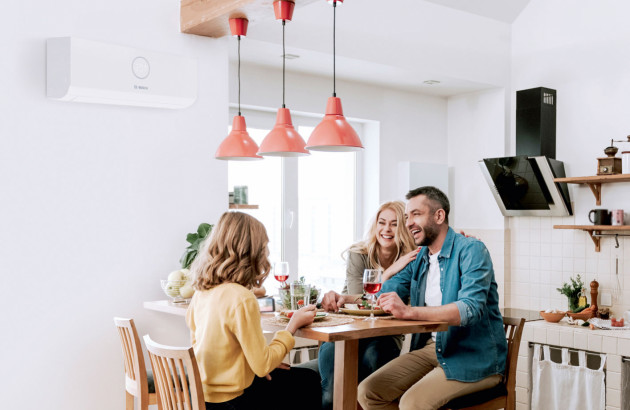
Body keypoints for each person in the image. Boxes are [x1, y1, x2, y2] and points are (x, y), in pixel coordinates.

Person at [356, 186, 507, 410]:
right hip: (432, 349)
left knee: (412, 404)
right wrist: (346, 299)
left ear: (439, 216)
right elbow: (382, 294)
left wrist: (409, 312)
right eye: (407, 217)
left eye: (416, 214)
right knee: (368, 392)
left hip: (474, 357)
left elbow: (470, 309)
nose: (407, 223)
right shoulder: (420, 258)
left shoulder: (471, 250)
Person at [186, 211, 322, 410]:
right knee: (307, 381)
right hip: (234, 401)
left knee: (288, 378)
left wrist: (260, 364)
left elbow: (207, 346)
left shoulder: (201, 292)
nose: (266, 253)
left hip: (203, 396)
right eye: (264, 247)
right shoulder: (242, 298)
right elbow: (263, 365)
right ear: (250, 252)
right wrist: (292, 325)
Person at [318, 201, 419, 410]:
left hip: (385, 334)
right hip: (350, 329)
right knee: (330, 396)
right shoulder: (359, 253)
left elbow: (393, 305)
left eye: (394, 224)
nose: (386, 229)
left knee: (373, 362)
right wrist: (389, 273)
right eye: (382, 223)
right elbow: (360, 299)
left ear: (403, 228)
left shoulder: (411, 258)